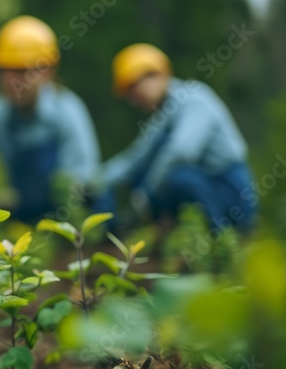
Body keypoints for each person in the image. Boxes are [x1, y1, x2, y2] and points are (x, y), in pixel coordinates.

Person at [0, 15, 102, 222]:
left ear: (48, 71)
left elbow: (84, 179)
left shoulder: (68, 112)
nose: (11, 80)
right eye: (5, 70)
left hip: (64, 225)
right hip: (17, 222)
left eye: (22, 71)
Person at [102, 43, 255, 231]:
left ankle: (218, 239)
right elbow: (135, 158)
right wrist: (96, 181)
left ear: (157, 75)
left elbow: (181, 152)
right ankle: (174, 238)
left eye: (134, 87)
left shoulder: (194, 99)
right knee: (148, 175)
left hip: (231, 191)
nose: (133, 99)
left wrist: (145, 196)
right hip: (208, 187)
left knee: (176, 177)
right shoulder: (163, 114)